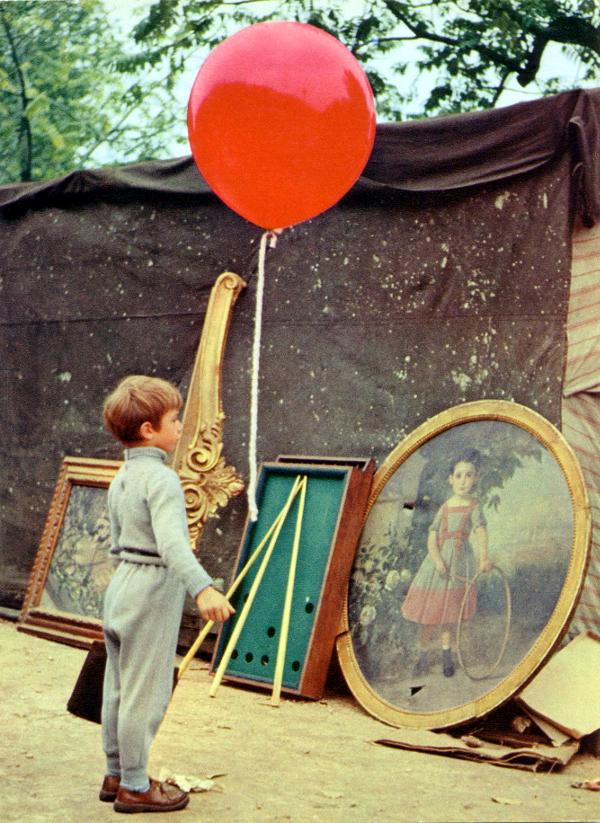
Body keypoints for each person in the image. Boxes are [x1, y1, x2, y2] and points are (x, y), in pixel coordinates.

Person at [99, 375, 235, 813]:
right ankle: (136, 786)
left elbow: (117, 539)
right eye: (174, 420)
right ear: (148, 431)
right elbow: (173, 545)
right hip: (152, 587)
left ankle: (115, 772)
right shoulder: (162, 480)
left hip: (121, 583)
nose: (180, 428)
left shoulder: (122, 476)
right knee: (146, 692)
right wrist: (203, 589)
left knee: (118, 687)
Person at [401, 448, 490, 678]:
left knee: (449, 614)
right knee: (430, 614)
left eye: (469, 475)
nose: (463, 481)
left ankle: (446, 656)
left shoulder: (474, 506)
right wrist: (437, 559)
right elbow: (432, 536)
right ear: (451, 479)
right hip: (437, 567)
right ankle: (422, 657)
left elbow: (480, 530)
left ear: (476, 478)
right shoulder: (446, 506)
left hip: (459, 564)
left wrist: (483, 558)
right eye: (458, 475)